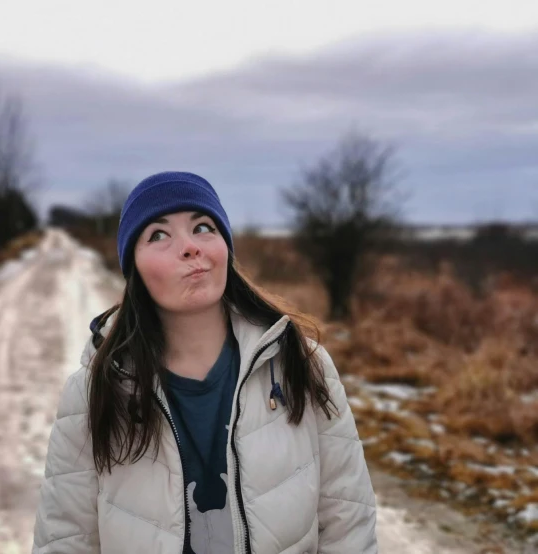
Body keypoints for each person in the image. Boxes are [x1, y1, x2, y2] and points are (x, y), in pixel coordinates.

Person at [31, 171, 377, 554]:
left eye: (203, 227)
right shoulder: (93, 390)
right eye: (158, 235)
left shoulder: (302, 364)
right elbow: (65, 539)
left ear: (224, 247)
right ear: (135, 268)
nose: (189, 247)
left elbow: (348, 521)